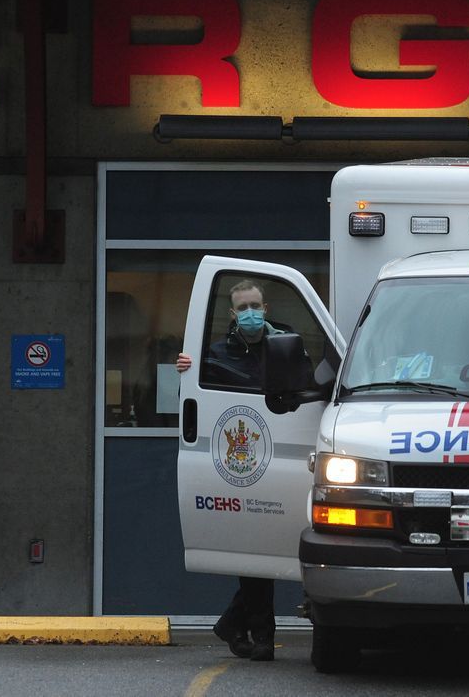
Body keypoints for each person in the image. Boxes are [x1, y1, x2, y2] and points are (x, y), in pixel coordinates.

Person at [176, 279, 280, 661]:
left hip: (278, 455)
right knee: (255, 548)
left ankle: (234, 626)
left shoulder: (285, 344)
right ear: (233, 314)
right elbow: (197, 392)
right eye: (243, 307)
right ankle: (261, 635)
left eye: (256, 305)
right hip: (239, 464)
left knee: (267, 548)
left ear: (265, 308)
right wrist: (185, 368)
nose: (250, 313)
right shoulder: (217, 353)